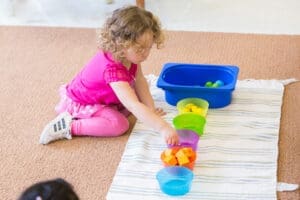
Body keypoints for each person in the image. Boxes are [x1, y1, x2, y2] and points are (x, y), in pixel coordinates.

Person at [39, 5, 179, 145]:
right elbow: (133, 105)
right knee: (119, 124)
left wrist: (151, 109)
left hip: (105, 95)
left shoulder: (130, 56)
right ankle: (70, 126)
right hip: (83, 102)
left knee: (140, 94)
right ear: (121, 44)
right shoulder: (113, 70)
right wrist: (163, 127)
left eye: (149, 47)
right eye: (140, 49)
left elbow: (140, 80)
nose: (146, 53)